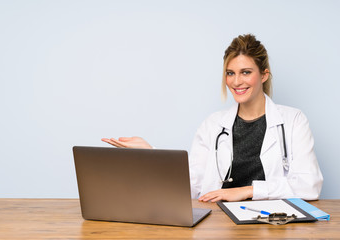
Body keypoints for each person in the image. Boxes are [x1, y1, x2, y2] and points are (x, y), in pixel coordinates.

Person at [102, 34, 323, 202]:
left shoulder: (293, 121)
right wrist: (151, 155)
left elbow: (309, 185)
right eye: (230, 73)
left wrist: (247, 191)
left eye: (246, 72)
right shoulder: (213, 125)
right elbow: (191, 185)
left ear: (264, 74)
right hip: (221, 222)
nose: (236, 81)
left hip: (273, 223)